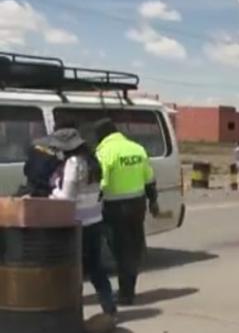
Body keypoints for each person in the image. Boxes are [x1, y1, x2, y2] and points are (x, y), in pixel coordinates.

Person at [21, 121, 117, 315]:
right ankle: (109, 308)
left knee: (72, 268)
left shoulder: (73, 164)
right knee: (96, 268)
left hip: (77, 223)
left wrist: (51, 191)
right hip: (95, 221)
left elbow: (67, 198)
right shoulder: (93, 161)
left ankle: (72, 312)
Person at [94, 118, 159, 305]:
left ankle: (125, 294)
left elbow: (101, 183)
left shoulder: (104, 152)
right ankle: (128, 289)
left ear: (102, 135)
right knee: (132, 247)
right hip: (138, 205)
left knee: (120, 250)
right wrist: (153, 201)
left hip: (114, 208)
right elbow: (149, 179)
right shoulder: (136, 148)